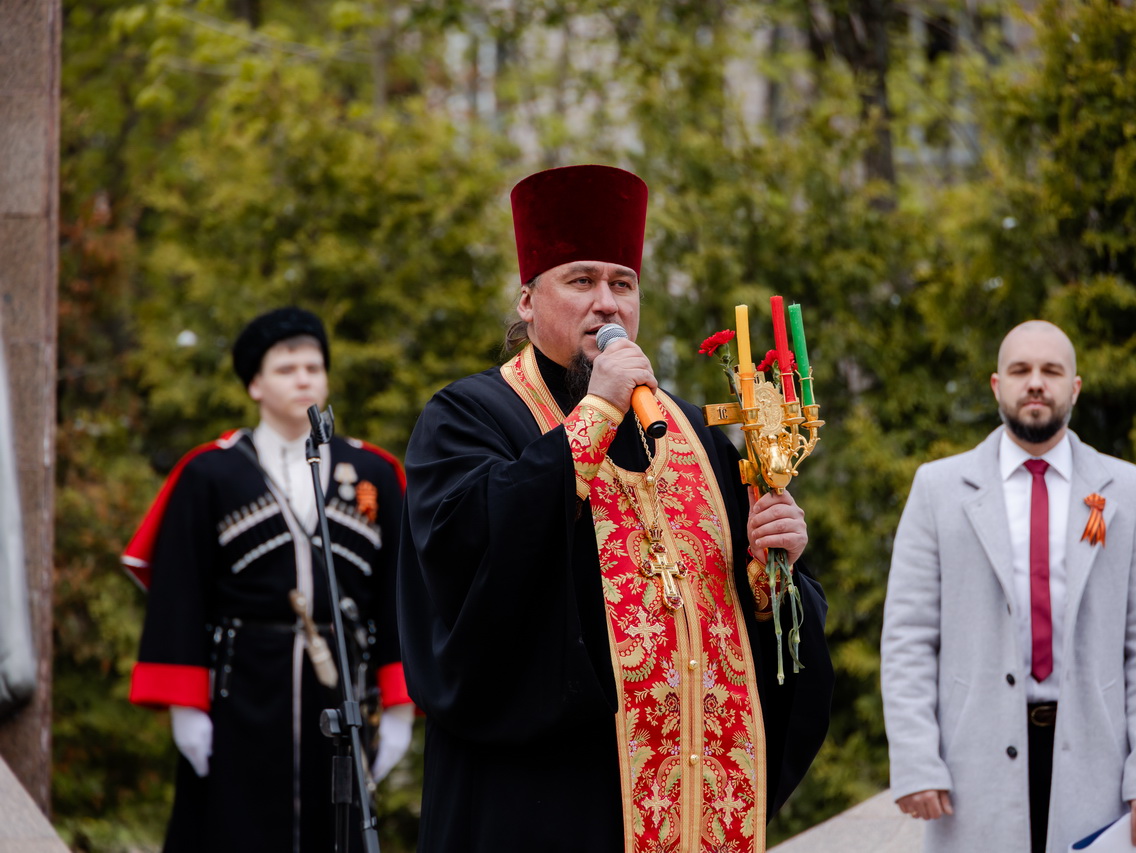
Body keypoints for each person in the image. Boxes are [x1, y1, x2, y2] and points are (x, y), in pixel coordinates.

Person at [397, 164, 835, 852]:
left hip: (696, 804)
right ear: (527, 302)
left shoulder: (694, 433)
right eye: (581, 281)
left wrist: (771, 571)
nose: (607, 304)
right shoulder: (469, 416)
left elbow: (753, 625)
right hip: (554, 801)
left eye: (623, 284)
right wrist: (596, 411)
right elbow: (468, 570)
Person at [880, 320, 1136, 853]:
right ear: (997, 386)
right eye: (1020, 370)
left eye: (1051, 371)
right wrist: (915, 759)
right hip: (970, 764)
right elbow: (909, 637)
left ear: (1075, 387)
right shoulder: (937, 489)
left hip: (1099, 762)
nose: (1036, 382)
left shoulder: (1129, 491)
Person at [124, 307, 414, 853]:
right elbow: (179, 594)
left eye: (313, 367)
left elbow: (401, 595)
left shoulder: (374, 471)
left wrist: (399, 710)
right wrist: (187, 710)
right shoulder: (209, 472)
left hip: (343, 688)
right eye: (286, 369)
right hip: (240, 688)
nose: (303, 378)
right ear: (254, 384)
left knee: (338, 828)